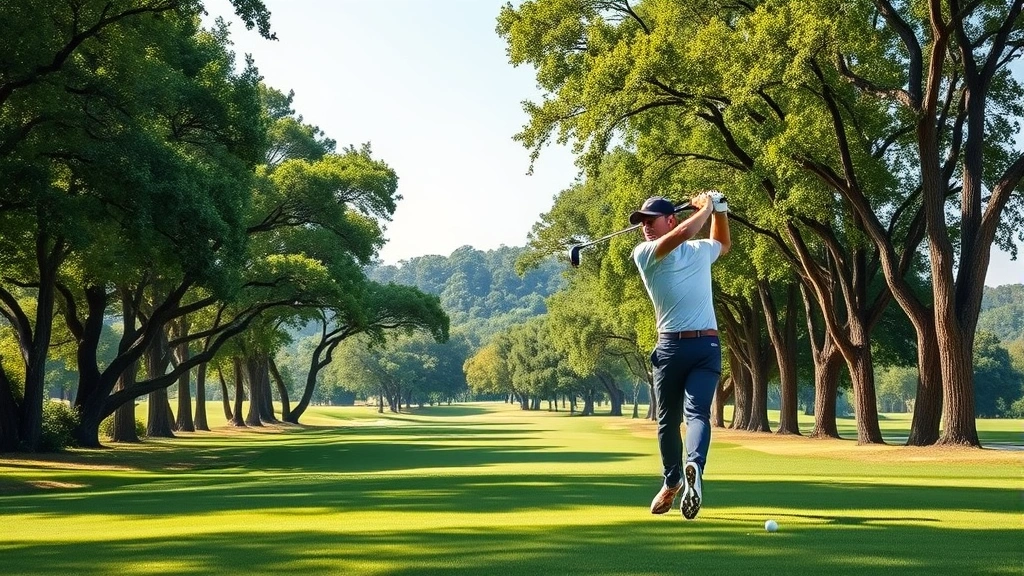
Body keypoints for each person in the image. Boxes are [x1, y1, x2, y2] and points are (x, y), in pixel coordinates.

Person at [629, 191, 730, 520]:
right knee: (669, 422)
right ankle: (676, 478)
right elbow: (684, 233)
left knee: (694, 414)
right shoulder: (645, 253)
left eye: (650, 220)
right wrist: (709, 208)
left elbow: (722, 244)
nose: (645, 226)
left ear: (669, 218)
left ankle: (688, 471)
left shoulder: (700, 251)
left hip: (695, 348)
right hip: (682, 346)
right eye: (641, 221)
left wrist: (720, 211)